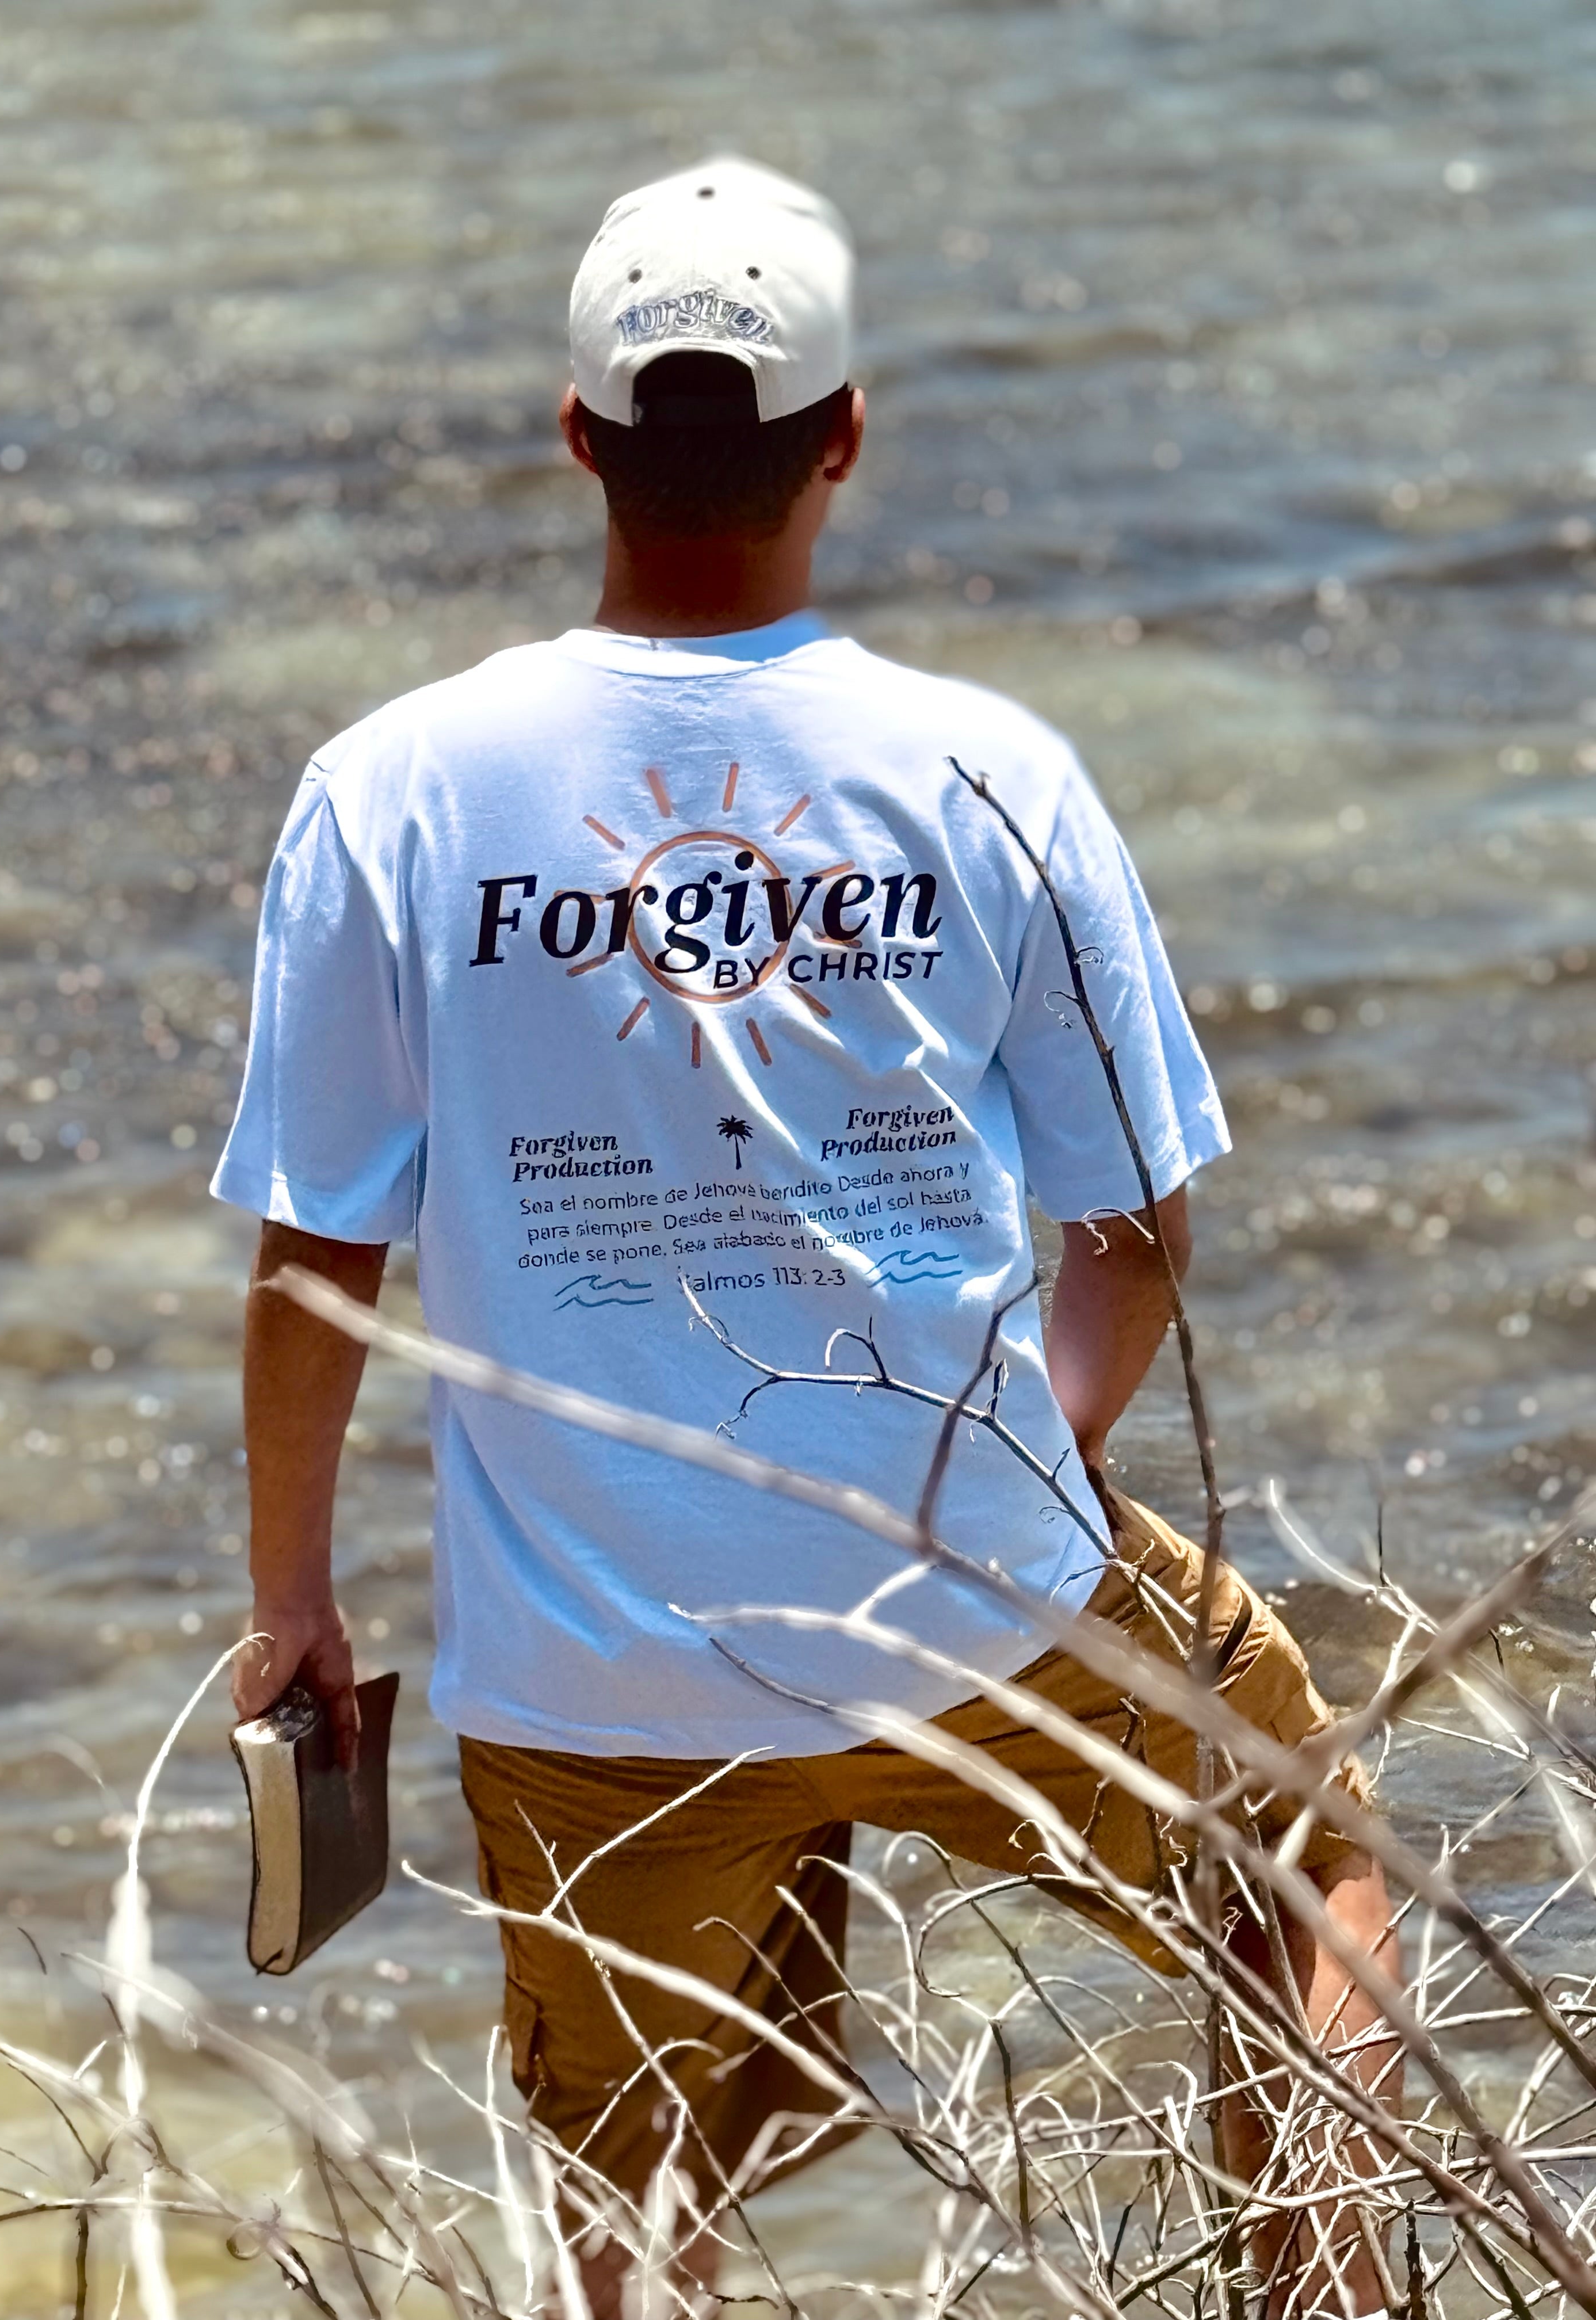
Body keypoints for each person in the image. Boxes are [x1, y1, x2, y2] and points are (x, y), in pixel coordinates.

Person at [215, 160, 1396, 2317]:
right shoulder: (990, 770)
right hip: (984, 1597)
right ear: (847, 437)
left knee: (630, 2207)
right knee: (1308, 1870)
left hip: (596, 1662)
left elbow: (318, 1267)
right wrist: (1029, 1448)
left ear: (576, 439)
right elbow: (1133, 1225)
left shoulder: (387, 787)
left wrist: (295, 1600)